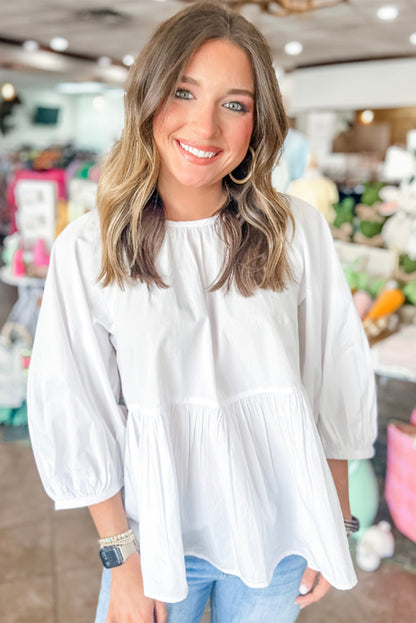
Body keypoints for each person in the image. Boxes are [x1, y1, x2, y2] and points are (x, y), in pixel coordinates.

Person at [26, 2, 377, 623]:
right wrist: (122, 561)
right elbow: (77, 405)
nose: (206, 126)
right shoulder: (90, 246)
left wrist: (335, 515)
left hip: (282, 528)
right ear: (149, 98)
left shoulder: (298, 231)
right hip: (157, 540)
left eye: (235, 104)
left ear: (257, 122)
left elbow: (333, 374)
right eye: (184, 93)